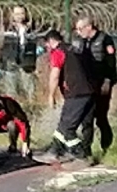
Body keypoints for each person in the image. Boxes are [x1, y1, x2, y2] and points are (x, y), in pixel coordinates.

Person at [40, 29, 96, 162]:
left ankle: (81, 154)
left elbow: (55, 75)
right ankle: (55, 150)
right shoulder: (73, 49)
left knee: (68, 129)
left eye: (46, 45)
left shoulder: (58, 52)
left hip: (76, 94)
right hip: (88, 92)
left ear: (51, 41)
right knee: (63, 124)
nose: (46, 48)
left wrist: (51, 95)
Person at [73, 15, 117, 157]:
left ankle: (107, 146)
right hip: (87, 85)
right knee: (87, 118)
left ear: (89, 27)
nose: (78, 32)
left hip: (102, 83)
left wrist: (108, 81)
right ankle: (86, 150)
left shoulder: (105, 39)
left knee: (101, 117)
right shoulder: (81, 42)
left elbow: (111, 62)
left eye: (80, 29)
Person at [0, 5, 41, 102]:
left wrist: (40, 48)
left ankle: (31, 109)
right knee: (11, 91)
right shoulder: (7, 28)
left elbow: (39, 40)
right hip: (10, 61)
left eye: (22, 13)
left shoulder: (31, 27)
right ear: (12, 15)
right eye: (17, 14)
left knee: (30, 89)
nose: (20, 16)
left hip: (27, 62)